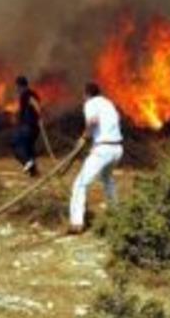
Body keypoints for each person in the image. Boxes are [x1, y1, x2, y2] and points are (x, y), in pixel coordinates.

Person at [69, 82, 123, 234]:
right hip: (117, 149)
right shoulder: (108, 103)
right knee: (107, 178)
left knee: (80, 184)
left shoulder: (91, 103)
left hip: (103, 150)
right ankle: (116, 215)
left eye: (83, 95)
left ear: (87, 94)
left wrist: (84, 138)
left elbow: (93, 121)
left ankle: (76, 223)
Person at [12, 75, 42, 176]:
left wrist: (39, 115)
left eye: (17, 86)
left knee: (16, 145)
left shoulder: (27, 94)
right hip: (33, 128)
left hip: (28, 126)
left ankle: (27, 162)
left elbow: (34, 103)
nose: (16, 89)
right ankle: (34, 172)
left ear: (20, 86)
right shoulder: (30, 93)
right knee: (29, 148)